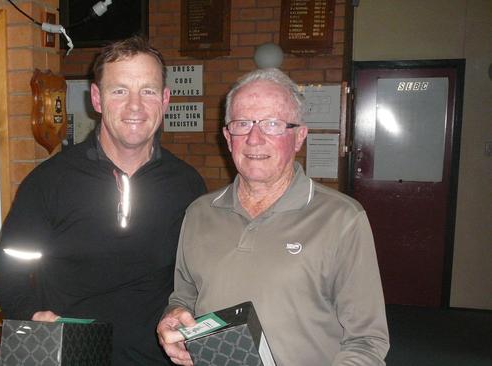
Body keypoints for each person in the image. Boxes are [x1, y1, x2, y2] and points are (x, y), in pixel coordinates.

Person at [0, 36, 206, 365]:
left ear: (164, 100)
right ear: (97, 98)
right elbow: (9, 263)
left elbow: (194, 273)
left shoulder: (187, 183)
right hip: (72, 356)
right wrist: (29, 315)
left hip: (157, 358)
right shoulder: (50, 181)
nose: (135, 106)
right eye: (119, 90)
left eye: (147, 91)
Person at [157, 68, 389, 365]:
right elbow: (183, 296)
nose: (254, 139)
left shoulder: (342, 219)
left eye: (272, 124)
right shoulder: (200, 213)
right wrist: (173, 318)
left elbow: (367, 342)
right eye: (242, 124)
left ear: (298, 137)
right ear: (228, 138)